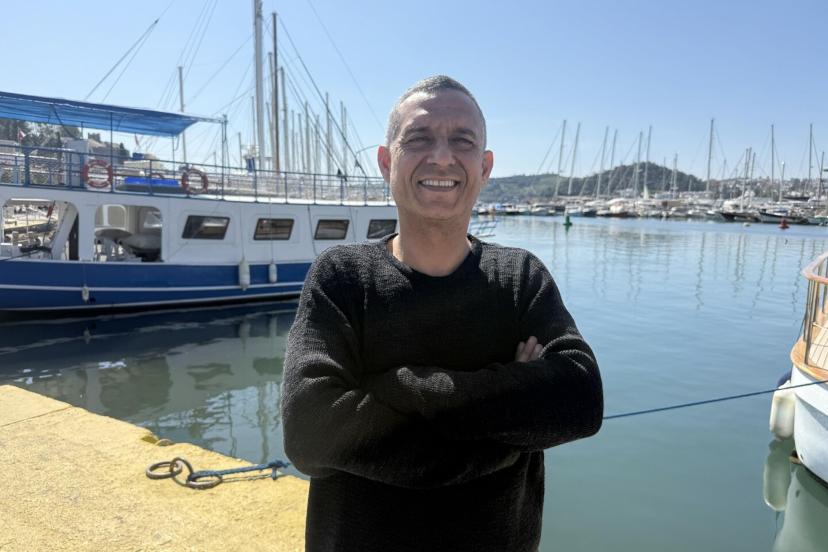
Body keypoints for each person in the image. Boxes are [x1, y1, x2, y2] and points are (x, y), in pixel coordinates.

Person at [281, 75, 603, 552]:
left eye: (462, 141)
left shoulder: (521, 278)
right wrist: (507, 431)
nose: (442, 157)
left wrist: (397, 387)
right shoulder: (342, 278)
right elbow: (310, 431)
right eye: (419, 138)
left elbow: (580, 401)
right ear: (386, 161)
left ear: (485, 166)